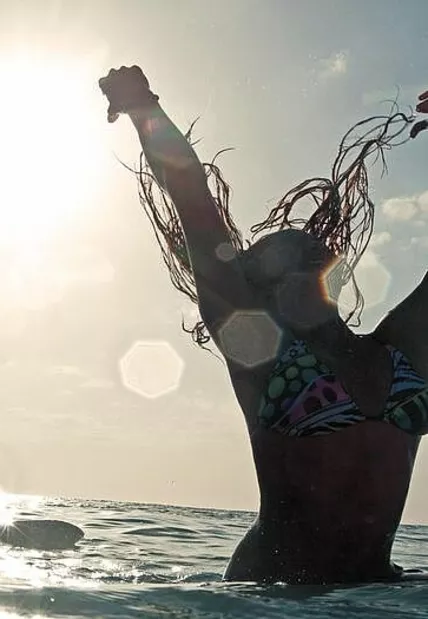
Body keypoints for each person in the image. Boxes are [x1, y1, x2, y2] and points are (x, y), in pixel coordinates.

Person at [99, 65, 428, 584]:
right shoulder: (261, 353)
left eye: (311, 244)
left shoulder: (400, 349)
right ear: (261, 288)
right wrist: (145, 108)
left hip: (372, 590)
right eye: (275, 249)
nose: (298, 240)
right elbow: (192, 199)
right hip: (271, 592)